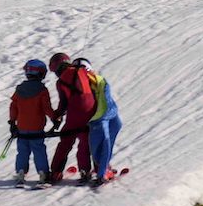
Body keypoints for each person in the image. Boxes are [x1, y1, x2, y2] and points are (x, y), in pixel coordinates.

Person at [47, 52, 96, 183]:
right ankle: (86, 171)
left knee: (65, 142)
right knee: (85, 142)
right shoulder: (84, 72)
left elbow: (63, 104)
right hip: (91, 112)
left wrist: (57, 116)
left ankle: (55, 172)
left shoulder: (61, 81)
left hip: (75, 113)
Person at [8, 59, 54, 185]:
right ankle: (43, 173)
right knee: (38, 150)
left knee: (22, 151)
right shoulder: (42, 90)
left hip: (22, 128)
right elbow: (47, 108)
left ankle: (21, 172)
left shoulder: (19, 89)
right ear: (40, 74)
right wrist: (55, 118)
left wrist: (12, 123)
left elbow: (13, 106)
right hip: (36, 128)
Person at [86, 64, 121, 187]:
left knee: (107, 139)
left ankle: (103, 167)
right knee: (105, 143)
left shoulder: (91, 82)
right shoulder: (98, 80)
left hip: (105, 115)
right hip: (102, 116)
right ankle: (102, 173)